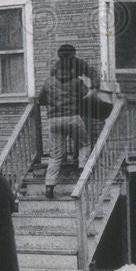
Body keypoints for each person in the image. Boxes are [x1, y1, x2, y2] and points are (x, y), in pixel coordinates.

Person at [37, 44, 97, 199]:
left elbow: (41, 99)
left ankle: (49, 186)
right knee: (84, 143)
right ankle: (82, 170)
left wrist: (54, 102)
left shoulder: (48, 81)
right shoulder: (77, 81)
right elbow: (87, 94)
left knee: (56, 154)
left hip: (53, 120)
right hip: (72, 117)